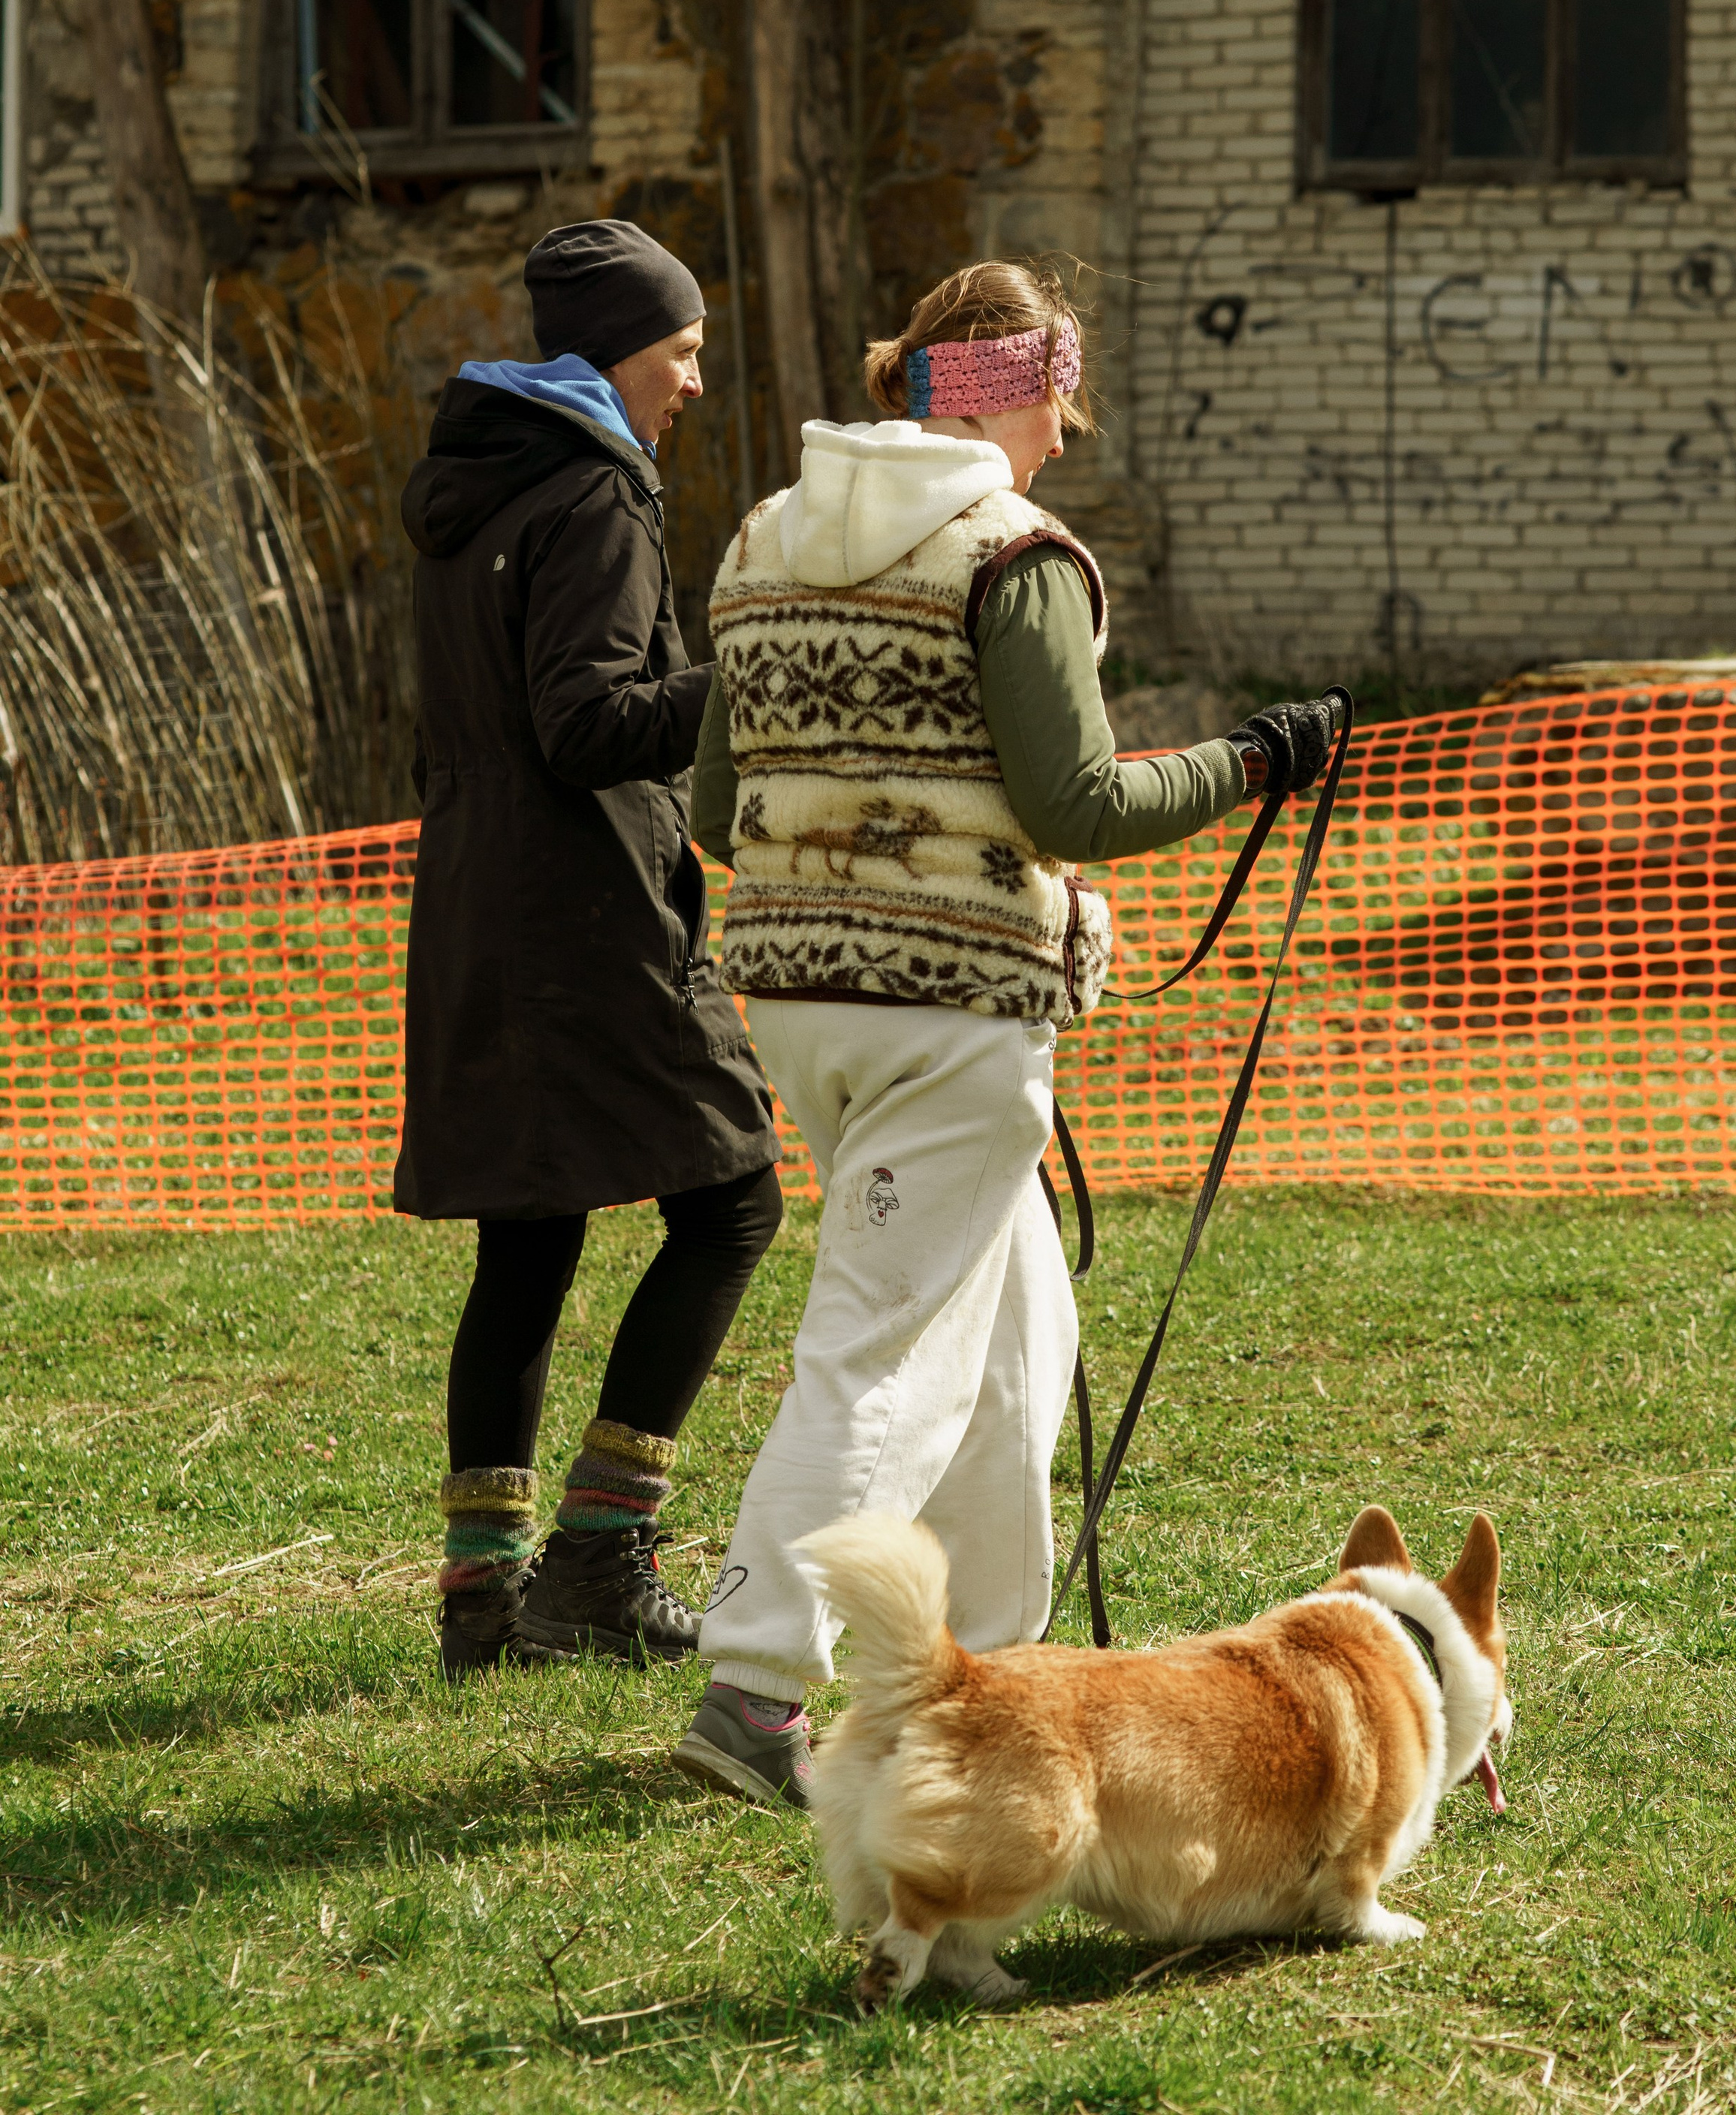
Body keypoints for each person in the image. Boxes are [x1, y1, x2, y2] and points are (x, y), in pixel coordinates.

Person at [668, 259, 1339, 1804]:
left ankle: (987, 1663)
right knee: (884, 1347)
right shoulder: (1012, 556)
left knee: (1018, 1335)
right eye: (1057, 411)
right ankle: (758, 1681)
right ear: (1018, 395)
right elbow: (1076, 804)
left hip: (801, 999)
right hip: (949, 1016)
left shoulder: (764, 539)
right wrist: (1250, 759)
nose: (1059, 441)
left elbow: (716, 802)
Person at [396, 218, 784, 1683]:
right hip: (589, 917)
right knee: (733, 1200)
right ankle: (602, 1559)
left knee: (529, 1235)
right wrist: (750, 672)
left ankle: (482, 1600)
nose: (693, 381)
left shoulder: (477, 480)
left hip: (477, 904)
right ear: (620, 352)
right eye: (682, 351)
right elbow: (587, 721)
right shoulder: (596, 490)